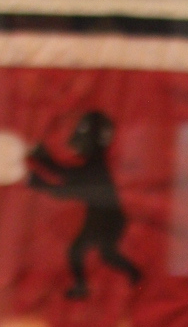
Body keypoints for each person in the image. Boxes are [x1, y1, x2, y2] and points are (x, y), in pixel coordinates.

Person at [28, 111, 141, 301]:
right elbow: (67, 177)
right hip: (104, 218)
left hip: (107, 220)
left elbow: (67, 187)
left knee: (81, 251)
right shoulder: (92, 166)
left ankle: (86, 286)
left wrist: (38, 180)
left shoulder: (95, 169)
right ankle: (134, 275)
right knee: (105, 254)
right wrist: (42, 160)